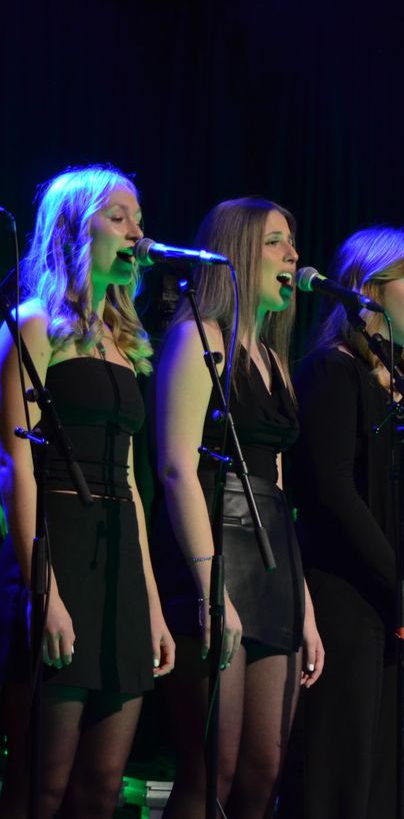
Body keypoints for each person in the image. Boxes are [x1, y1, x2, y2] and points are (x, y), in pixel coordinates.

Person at [0, 165, 175, 818]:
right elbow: (15, 465)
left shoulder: (123, 343)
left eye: (137, 215)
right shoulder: (34, 324)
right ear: (76, 228)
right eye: (120, 216)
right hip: (59, 551)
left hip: (119, 565)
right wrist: (43, 590)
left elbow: (131, 480)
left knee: (102, 787)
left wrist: (152, 604)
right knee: (41, 786)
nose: (137, 230)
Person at [152, 197, 323, 818]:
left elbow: (276, 487)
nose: (293, 256)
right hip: (214, 550)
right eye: (278, 242)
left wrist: (304, 606)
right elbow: (175, 467)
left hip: (275, 563)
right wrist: (209, 584)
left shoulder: (275, 362)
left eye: (293, 241)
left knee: (263, 769)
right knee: (212, 769)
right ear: (241, 251)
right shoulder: (198, 338)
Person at [290, 226, 404, 819]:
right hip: (352, 598)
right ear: (369, 291)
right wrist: (400, 586)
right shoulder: (332, 372)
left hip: (403, 605)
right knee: (343, 776)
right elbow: (331, 493)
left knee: (393, 780)